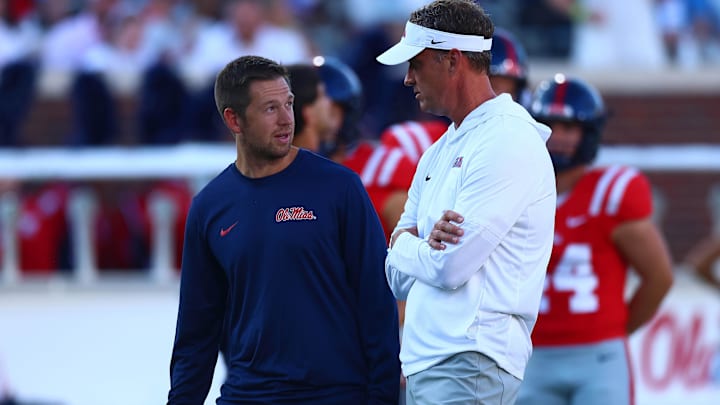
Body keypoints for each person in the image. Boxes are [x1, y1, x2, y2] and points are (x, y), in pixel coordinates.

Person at [167, 55, 400, 404]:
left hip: (336, 395)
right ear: (234, 119)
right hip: (248, 395)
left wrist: (381, 399)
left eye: (289, 104)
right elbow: (196, 334)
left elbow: (377, 306)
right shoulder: (209, 207)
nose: (286, 119)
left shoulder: (341, 188)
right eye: (269, 108)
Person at [375, 1, 557, 403]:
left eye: (417, 64)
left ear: (452, 61)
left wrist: (406, 242)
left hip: (469, 358)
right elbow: (395, 276)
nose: (407, 79)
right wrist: (418, 245)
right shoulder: (441, 149)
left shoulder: (507, 140)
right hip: (439, 361)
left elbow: (449, 266)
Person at [516, 75, 674, 405]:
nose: (557, 136)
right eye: (549, 125)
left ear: (589, 133)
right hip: (529, 354)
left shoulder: (612, 192)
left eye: (568, 127)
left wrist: (613, 331)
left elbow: (659, 277)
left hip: (597, 357)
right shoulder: (514, 191)